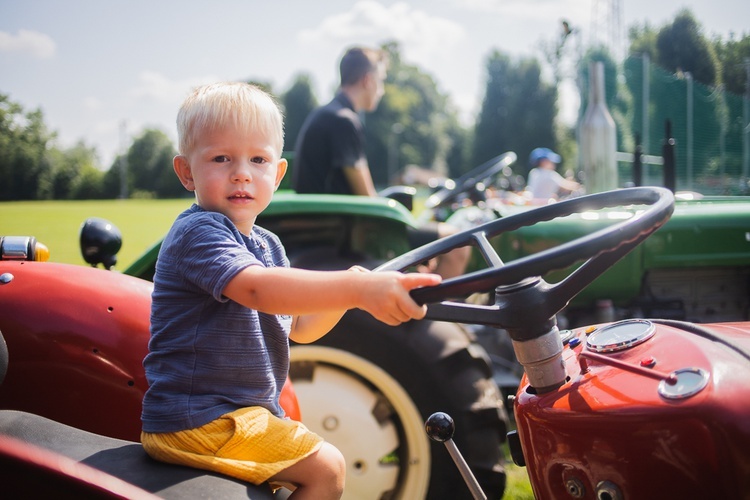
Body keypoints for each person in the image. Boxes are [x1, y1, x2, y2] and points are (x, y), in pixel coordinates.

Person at [140, 82, 441, 499]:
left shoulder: (267, 244)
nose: (242, 172)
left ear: (277, 174)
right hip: (198, 419)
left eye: (258, 159)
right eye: (221, 157)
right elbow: (258, 290)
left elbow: (299, 327)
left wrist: (351, 290)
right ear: (187, 171)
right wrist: (355, 287)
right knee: (328, 469)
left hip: (237, 416)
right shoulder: (198, 232)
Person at [293, 46, 469, 279]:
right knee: (458, 244)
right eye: (381, 80)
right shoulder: (343, 121)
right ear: (367, 80)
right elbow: (368, 198)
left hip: (329, 224)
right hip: (341, 231)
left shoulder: (327, 114)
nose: (382, 90)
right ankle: (431, 312)